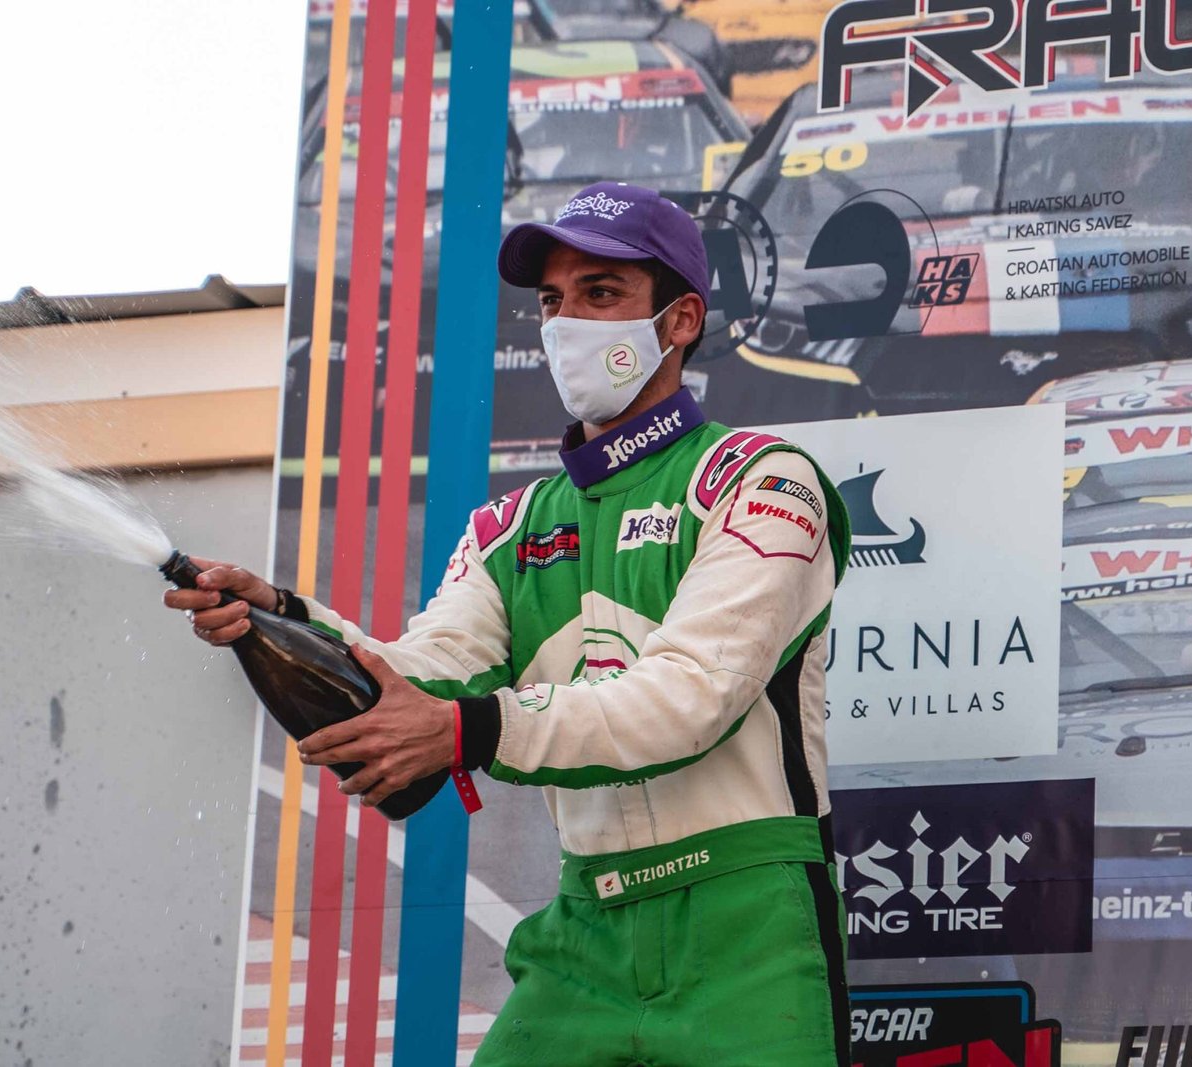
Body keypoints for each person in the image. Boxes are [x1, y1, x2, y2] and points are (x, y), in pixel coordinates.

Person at [166, 181, 853, 1065]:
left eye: (601, 293)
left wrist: (471, 728)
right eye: (554, 301)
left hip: (747, 921)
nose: (567, 324)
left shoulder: (762, 479)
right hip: (586, 928)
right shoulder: (510, 526)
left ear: (681, 320)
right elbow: (420, 679)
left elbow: (691, 698)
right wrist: (285, 620)